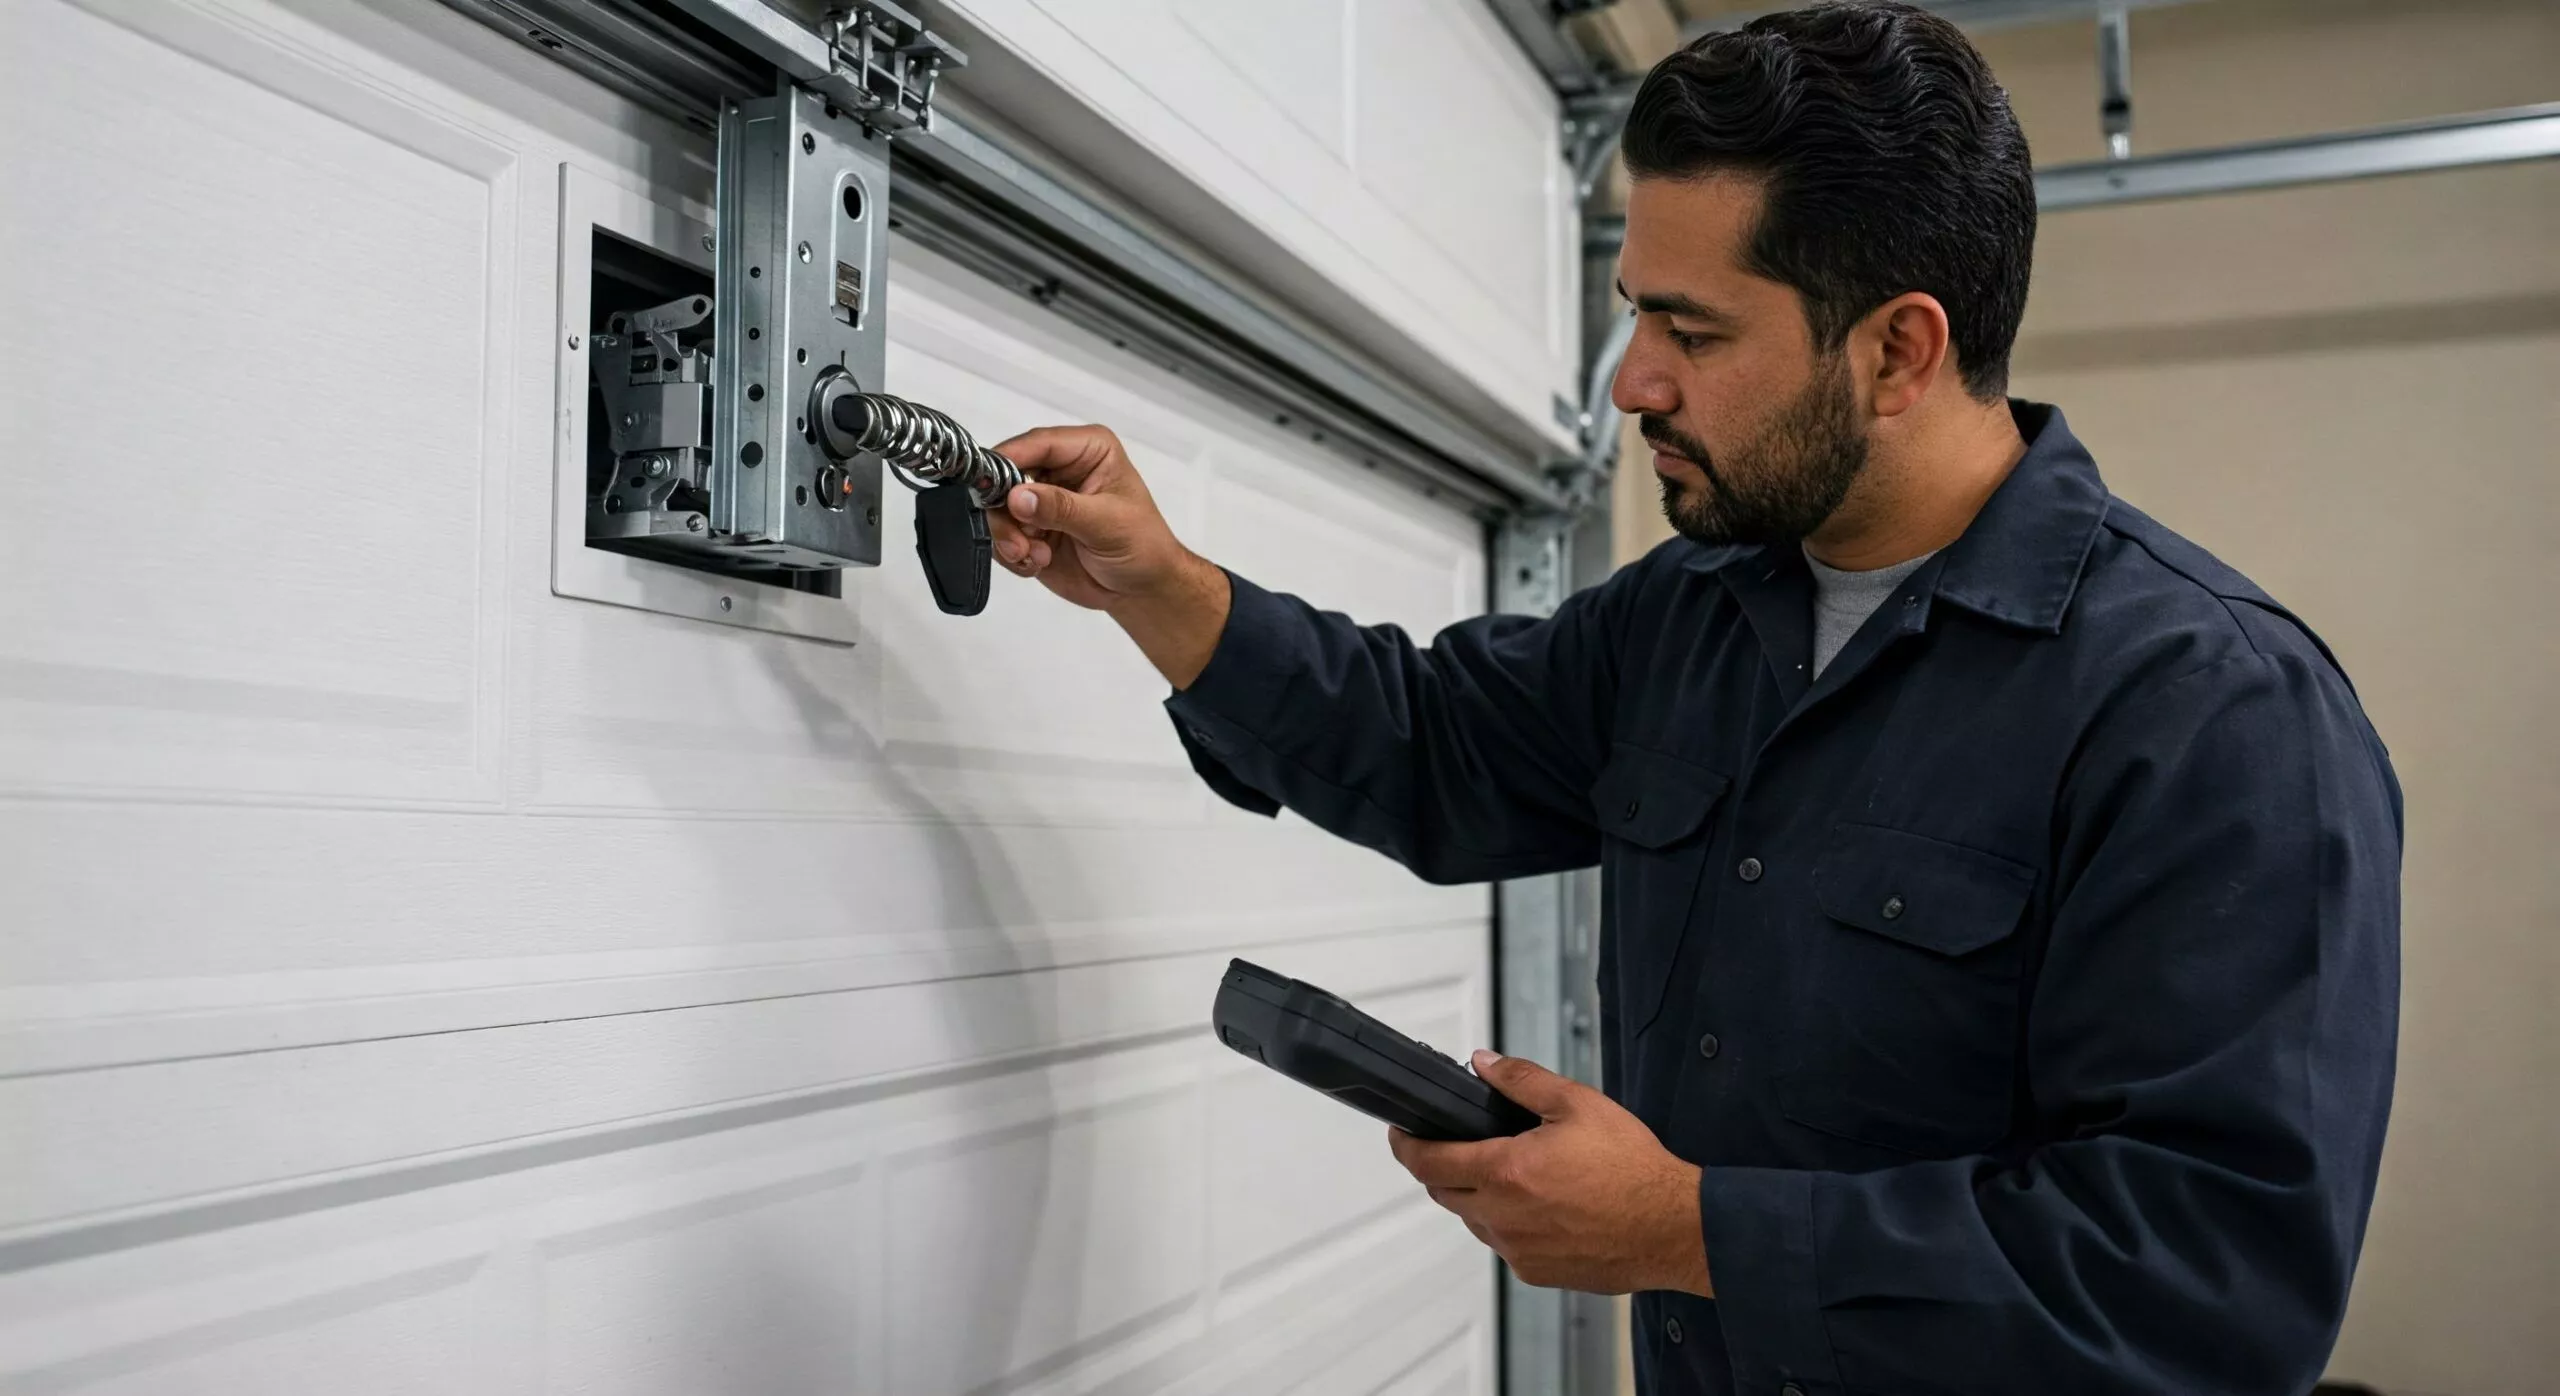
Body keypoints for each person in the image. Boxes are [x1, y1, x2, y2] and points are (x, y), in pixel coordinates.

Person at [981, 3, 2401, 1391]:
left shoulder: (2215, 711)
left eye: (1695, 331)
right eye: (1633, 316)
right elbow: (1427, 743)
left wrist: (1685, 1229)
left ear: (1899, 351)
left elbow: (2207, 1291)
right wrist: (1155, 581)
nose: (1635, 383)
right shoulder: (1697, 613)